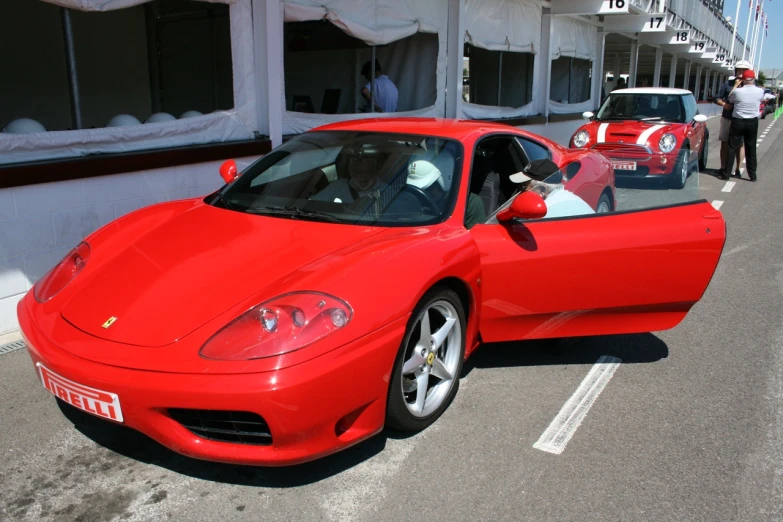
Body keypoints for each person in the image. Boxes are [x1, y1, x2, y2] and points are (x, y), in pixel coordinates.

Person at [722, 69, 765, 182]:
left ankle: (726, 173)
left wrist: (736, 86)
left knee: (732, 147)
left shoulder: (738, 92)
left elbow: (730, 99)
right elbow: (761, 99)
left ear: (743, 80)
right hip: (752, 121)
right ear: (754, 79)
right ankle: (752, 175)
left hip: (738, 120)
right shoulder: (760, 91)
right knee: (751, 148)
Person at [715, 60, 751, 178]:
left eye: (743, 70)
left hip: (740, 119)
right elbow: (717, 98)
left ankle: (738, 169)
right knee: (724, 143)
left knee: (739, 145)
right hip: (727, 117)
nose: (741, 72)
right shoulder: (728, 83)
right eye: (739, 70)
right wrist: (724, 104)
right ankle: (723, 167)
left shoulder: (749, 86)